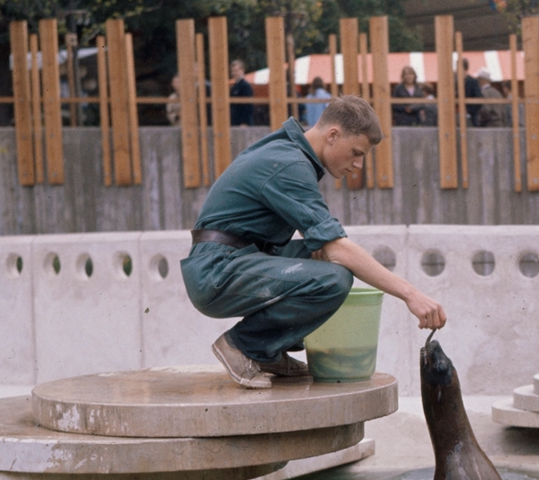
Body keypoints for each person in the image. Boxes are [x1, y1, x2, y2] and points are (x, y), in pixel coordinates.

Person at [182, 95, 446, 389]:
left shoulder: (289, 152)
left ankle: (267, 352)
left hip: (230, 260)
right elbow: (339, 248)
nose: (358, 164)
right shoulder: (289, 165)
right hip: (216, 271)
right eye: (356, 152)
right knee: (334, 276)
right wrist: (411, 294)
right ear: (333, 135)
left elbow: (326, 245)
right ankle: (242, 346)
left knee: (318, 253)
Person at [229, 60, 254, 126]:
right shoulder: (234, 86)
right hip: (235, 122)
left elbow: (248, 106)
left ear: (242, 71)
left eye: (236, 71)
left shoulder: (245, 85)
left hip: (243, 123)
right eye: (233, 71)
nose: (234, 73)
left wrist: (244, 122)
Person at [462, 58, 482, 127]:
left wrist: (470, 111)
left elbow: (479, 98)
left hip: (470, 117)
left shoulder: (473, 81)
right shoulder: (454, 81)